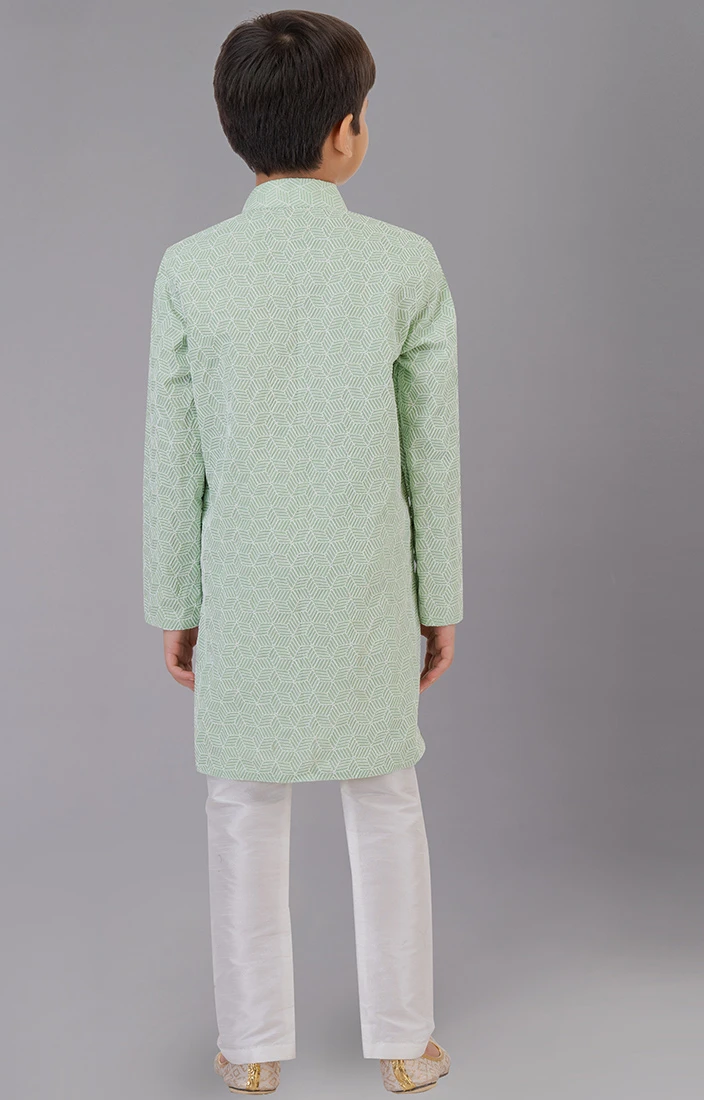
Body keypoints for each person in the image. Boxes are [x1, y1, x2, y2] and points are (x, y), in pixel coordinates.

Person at [142, 9, 462, 1094]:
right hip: (368, 583)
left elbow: (172, 452)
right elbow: (431, 452)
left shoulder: (191, 269)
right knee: (386, 800)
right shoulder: (403, 264)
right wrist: (439, 595)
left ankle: (250, 1048)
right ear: (345, 131)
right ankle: (404, 1043)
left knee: (242, 806)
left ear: (234, 127)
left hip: (243, 584)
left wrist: (173, 600)